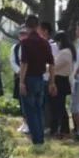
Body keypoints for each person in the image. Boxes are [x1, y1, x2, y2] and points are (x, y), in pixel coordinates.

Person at [19, 15, 56, 145]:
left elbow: (24, 63)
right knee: (39, 109)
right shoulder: (45, 43)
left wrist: (21, 82)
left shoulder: (25, 42)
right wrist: (52, 82)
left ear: (26, 26)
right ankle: (41, 137)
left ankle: (37, 139)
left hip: (29, 79)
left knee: (30, 110)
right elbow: (51, 63)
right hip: (40, 79)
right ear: (37, 26)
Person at [49, 31, 73, 138]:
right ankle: (60, 129)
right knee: (58, 106)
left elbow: (54, 66)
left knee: (59, 107)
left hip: (60, 80)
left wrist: (44, 67)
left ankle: (62, 129)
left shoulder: (65, 53)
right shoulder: (65, 52)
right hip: (60, 80)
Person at [10, 26, 30, 132]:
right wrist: (19, 71)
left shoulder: (31, 47)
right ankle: (25, 122)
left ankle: (30, 123)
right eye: (21, 34)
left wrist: (25, 72)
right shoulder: (15, 47)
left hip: (29, 76)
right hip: (18, 77)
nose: (22, 36)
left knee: (28, 100)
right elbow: (12, 61)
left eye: (24, 34)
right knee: (21, 100)